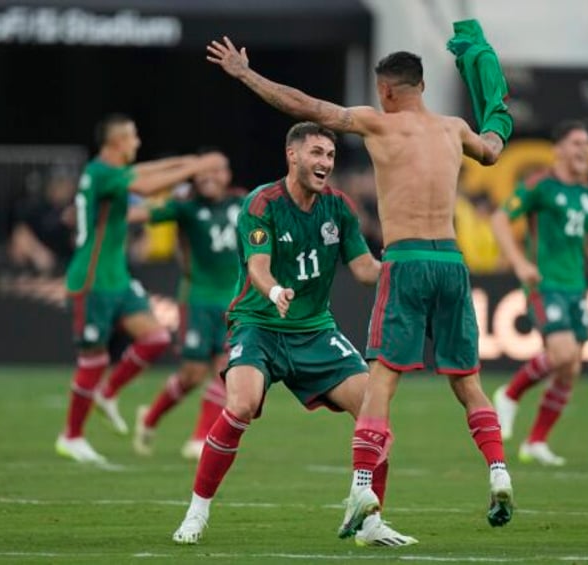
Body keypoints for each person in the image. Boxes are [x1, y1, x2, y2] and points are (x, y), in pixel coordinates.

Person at [204, 27, 514, 539]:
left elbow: (306, 107)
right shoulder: (455, 127)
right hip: (453, 262)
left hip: (407, 259)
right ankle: (499, 473)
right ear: (422, 87)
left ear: (387, 91)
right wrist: (497, 105)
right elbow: (493, 147)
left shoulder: (378, 123)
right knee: (468, 382)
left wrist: (245, 74)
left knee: (382, 385)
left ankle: (363, 486)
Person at [172, 122, 417, 547]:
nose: (325, 163)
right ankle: (197, 512)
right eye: (317, 153)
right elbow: (258, 267)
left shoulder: (339, 207)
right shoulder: (261, 203)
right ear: (293, 155)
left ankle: (371, 520)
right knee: (241, 405)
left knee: (375, 411)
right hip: (258, 323)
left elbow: (362, 271)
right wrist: (275, 290)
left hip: (315, 331)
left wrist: (399, 268)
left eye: (330, 156)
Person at [55, 113, 224, 464]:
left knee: (156, 338)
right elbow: (145, 186)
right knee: (94, 359)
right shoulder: (100, 173)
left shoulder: (112, 173)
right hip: (91, 281)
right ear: (117, 142)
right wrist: (192, 169)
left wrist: (190, 162)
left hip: (116, 277)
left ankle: (108, 393)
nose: (137, 142)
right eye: (133, 137)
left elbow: (145, 173)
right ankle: (71, 436)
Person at [490, 120, 588, 466]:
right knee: (561, 354)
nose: (584, 150)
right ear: (558, 149)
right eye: (577, 143)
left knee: (570, 369)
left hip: (575, 288)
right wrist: (518, 262)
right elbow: (500, 219)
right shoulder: (540, 186)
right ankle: (509, 395)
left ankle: (535, 442)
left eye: (587, 144)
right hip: (543, 283)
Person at [129, 149, 245, 459]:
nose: (210, 176)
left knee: (225, 369)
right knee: (192, 373)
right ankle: (150, 418)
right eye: (203, 170)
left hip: (234, 303)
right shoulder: (185, 207)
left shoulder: (243, 203)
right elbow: (139, 214)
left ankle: (199, 438)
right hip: (196, 300)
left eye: (216, 169)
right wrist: (106, 209)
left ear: (227, 175)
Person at [9, 172, 77, 275]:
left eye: (65, 183)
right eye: (58, 183)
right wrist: (38, 252)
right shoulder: (37, 207)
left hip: (67, 262)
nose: (61, 188)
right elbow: (20, 234)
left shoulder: (77, 207)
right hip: (42, 260)